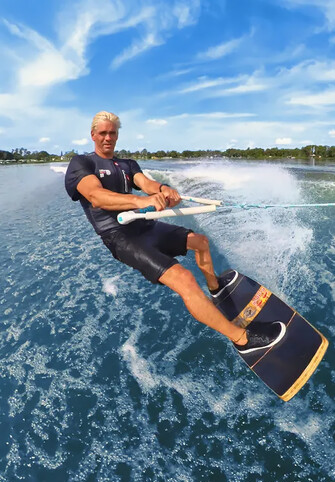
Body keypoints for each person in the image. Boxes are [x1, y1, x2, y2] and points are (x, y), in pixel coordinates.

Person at [64, 111, 286, 354]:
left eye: (112, 133)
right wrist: (141, 201)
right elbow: (96, 196)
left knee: (200, 242)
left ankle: (215, 289)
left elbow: (145, 183)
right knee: (185, 280)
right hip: (120, 236)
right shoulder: (82, 163)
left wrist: (163, 189)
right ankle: (242, 340)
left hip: (144, 225)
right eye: (103, 133)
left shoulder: (127, 164)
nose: (108, 138)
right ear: (93, 134)